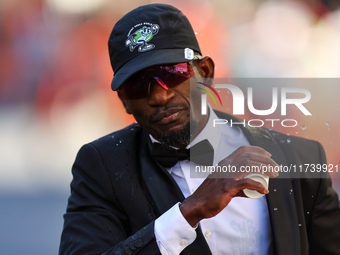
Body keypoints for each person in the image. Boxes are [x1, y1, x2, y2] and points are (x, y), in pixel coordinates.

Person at [59, 4, 340, 255]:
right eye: (136, 85)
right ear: (124, 101)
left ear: (205, 72)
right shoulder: (102, 167)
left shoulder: (299, 158)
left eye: (172, 74)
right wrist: (187, 214)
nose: (159, 97)